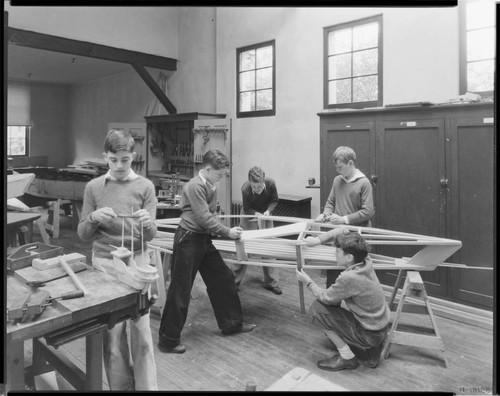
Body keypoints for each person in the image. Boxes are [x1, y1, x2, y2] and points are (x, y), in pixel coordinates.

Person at [77, 129, 158, 390]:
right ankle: (121, 389)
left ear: (133, 156)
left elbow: (151, 233)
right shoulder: (93, 188)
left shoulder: (145, 186)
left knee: (142, 334)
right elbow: (82, 234)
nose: (120, 166)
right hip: (106, 264)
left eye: (125, 159)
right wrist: (92, 218)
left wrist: (147, 223)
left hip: (138, 263)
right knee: (113, 337)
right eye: (114, 160)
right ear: (105, 157)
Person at [158, 149, 256, 354]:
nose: (221, 178)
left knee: (223, 277)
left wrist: (222, 231)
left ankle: (232, 324)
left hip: (202, 239)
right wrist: (227, 232)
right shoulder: (194, 186)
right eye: (219, 174)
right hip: (188, 239)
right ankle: (168, 340)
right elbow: (204, 218)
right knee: (180, 289)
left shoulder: (211, 184)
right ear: (208, 169)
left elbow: (212, 215)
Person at [296, 230, 390, 371]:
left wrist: (308, 282)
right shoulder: (365, 260)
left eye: (337, 251)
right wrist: (318, 240)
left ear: (349, 257)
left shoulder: (350, 278)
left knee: (317, 309)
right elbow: (341, 229)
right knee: (334, 305)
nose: (334, 254)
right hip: (381, 328)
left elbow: (325, 297)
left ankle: (347, 358)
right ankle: (372, 351)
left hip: (370, 334)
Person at [315, 146, 375, 287]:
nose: (338, 170)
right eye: (336, 167)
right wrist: (325, 214)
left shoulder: (364, 183)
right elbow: (330, 202)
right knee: (334, 272)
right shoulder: (337, 180)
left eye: (340, 167)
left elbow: (368, 212)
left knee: (357, 275)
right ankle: (330, 304)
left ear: (351, 163)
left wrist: (344, 219)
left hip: (356, 238)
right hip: (340, 235)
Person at [232, 166, 282, 294]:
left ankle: (272, 282)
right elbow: (247, 208)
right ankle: (233, 281)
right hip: (249, 214)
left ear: (264, 181)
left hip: (265, 213)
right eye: (254, 187)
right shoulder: (245, 189)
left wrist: (268, 211)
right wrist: (256, 214)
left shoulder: (271, 184)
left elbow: (274, 200)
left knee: (268, 246)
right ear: (250, 183)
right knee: (243, 245)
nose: (257, 189)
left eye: (259, 186)